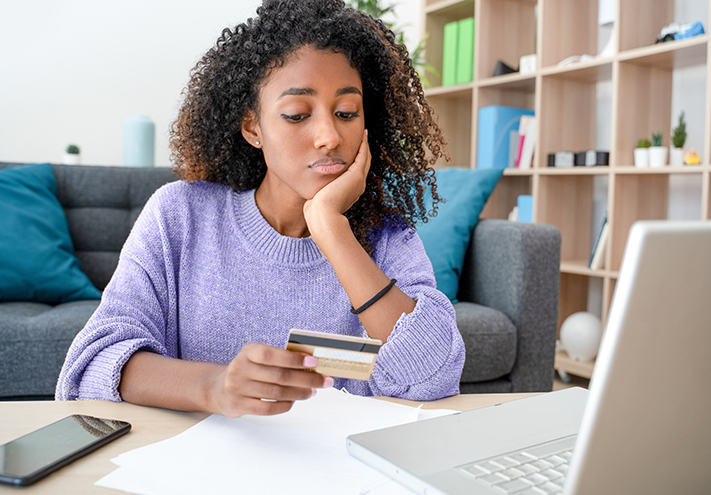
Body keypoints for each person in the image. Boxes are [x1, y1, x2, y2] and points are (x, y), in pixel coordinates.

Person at [56, 0, 465, 417]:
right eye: (296, 114)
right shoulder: (180, 216)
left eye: (346, 112)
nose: (328, 135)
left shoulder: (387, 237)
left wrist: (330, 228)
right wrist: (212, 387)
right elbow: (89, 367)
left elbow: (434, 376)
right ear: (253, 128)